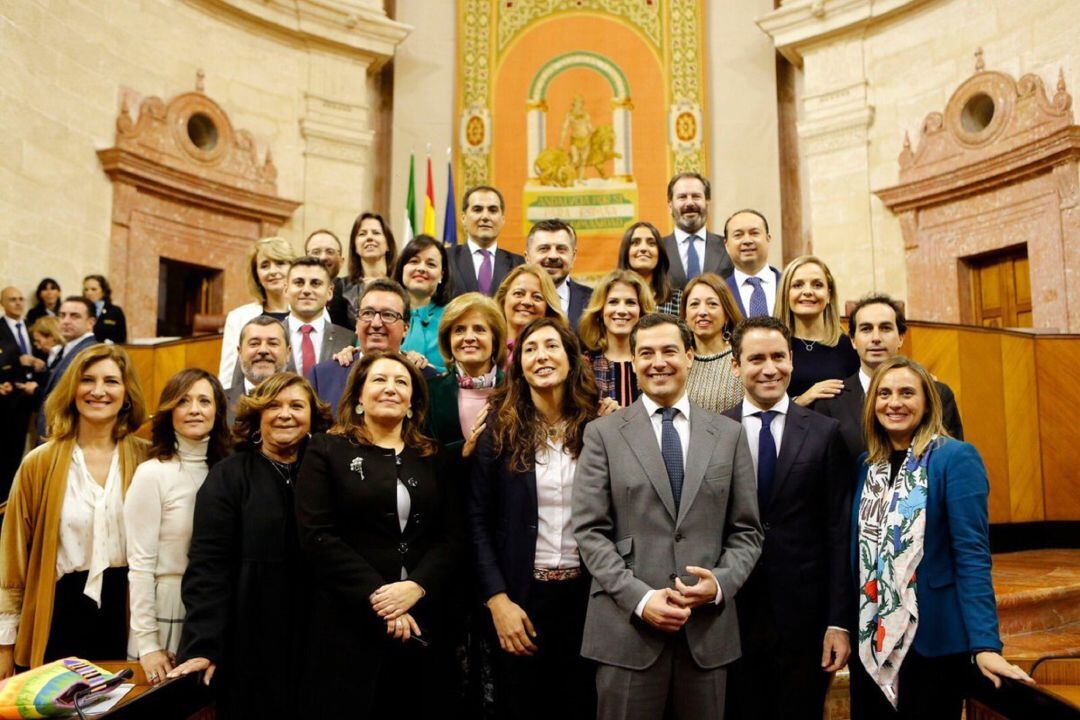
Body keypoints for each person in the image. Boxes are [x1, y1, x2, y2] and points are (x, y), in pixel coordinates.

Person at [572, 313, 763, 720]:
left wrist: (718, 585)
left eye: (669, 351)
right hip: (627, 633)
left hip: (706, 635)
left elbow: (747, 531)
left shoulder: (728, 435)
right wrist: (640, 599)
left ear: (690, 356)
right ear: (635, 362)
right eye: (646, 353)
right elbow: (590, 532)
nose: (658, 362)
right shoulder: (603, 434)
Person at [848, 356, 1033, 718]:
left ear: (928, 402)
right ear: (873, 405)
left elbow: (972, 555)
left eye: (906, 393)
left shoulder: (955, 458)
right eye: (884, 394)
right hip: (873, 638)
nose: (894, 402)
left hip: (932, 642)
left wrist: (984, 644)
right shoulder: (866, 466)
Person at [296, 351, 462, 716]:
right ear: (358, 397)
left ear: (412, 403)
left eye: (401, 382)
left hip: (424, 621)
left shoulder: (433, 456)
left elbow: (451, 537)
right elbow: (318, 536)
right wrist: (383, 598)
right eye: (380, 380)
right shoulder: (326, 450)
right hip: (349, 624)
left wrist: (416, 586)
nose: (391, 388)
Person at [169, 372, 332, 717]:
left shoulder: (330, 472)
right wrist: (203, 644)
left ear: (313, 418)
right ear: (258, 415)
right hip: (250, 638)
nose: (285, 414)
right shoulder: (229, 475)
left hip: (320, 637)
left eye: (296, 406)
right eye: (274, 405)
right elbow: (207, 566)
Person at [722, 316, 853, 720]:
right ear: (735, 365)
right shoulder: (713, 431)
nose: (769, 368)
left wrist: (838, 621)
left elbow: (837, 531)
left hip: (804, 617)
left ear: (792, 360)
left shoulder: (825, 432)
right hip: (731, 615)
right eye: (756, 358)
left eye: (778, 356)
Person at [469, 318, 600, 719]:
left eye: (551, 347)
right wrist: (497, 600)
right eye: (530, 349)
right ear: (519, 365)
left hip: (587, 599)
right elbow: (476, 521)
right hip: (520, 600)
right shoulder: (497, 430)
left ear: (571, 359)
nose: (541, 356)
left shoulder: (600, 428)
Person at [0, 344, 148, 674]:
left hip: (126, 612)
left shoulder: (147, 460)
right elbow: (12, 564)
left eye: (111, 381)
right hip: (57, 612)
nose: (98, 391)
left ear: (126, 394)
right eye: (87, 380)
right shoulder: (39, 463)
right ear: (72, 390)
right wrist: (5, 645)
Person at [124, 369, 230, 685]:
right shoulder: (152, 474)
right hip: (167, 604)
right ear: (170, 411)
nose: (194, 409)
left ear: (218, 411)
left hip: (217, 607)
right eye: (183, 401)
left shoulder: (229, 471)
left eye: (204, 401)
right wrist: (148, 643)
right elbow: (140, 565)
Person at [816, 293, 964, 461]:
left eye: (885, 328)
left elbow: (954, 461)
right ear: (853, 340)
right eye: (866, 329)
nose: (876, 338)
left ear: (901, 337)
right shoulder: (830, 400)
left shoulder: (937, 393)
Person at [307, 278, 437, 415]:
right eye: (367, 313)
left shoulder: (428, 378)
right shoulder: (323, 376)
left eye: (388, 315)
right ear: (356, 324)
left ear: (406, 328)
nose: (376, 323)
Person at [425, 292, 507, 454]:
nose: (469, 337)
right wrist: (461, 453)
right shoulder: (430, 393)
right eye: (459, 330)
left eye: (479, 329)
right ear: (448, 341)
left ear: (495, 340)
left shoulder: (516, 390)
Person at [776, 255, 859, 406]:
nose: (807, 291)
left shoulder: (849, 346)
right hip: (790, 428)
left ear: (829, 295)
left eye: (817, 285)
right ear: (785, 295)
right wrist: (802, 399)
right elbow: (762, 406)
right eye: (798, 285)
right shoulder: (773, 346)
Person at [218, 236, 295, 390]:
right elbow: (227, 376)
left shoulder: (306, 316)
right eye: (265, 266)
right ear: (257, 275)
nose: (273, 271)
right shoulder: (238, 317)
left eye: (280, 263)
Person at [579, 270, 656, 410]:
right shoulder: (583, 366)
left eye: (630, 303)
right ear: (601, 311)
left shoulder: (656, 363)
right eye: (613, 302)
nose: (621, 310)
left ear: (642, 312)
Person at [35, 297, 101, 440]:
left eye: (74, 316)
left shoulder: (89, 352)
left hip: (68, 435)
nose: (66, 321)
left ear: (91, 322)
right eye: (62, 315)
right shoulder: (68, 348)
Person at [280, 256, 355, 379]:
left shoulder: (349, 339)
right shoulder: (267, 336)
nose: (306, 290)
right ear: (286, 289)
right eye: (299, 282)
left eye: (315, 283)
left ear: (330, 292)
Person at [679, 273, 744, 413]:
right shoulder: (678, 361)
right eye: (694, 304)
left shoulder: (742, 359)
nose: (702, 312)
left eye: (712, 304)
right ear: (685, 316)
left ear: (727, 314)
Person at [448, 186, 525, 297]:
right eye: (477, 209)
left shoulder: (519, 264)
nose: (485, 216)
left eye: (493, 210)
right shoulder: (445, 259)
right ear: (463, 218)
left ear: (502, 219)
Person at [661, 173, 733, 290]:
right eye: (682, 197)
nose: (689, 203)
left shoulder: (728, 247)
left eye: (696, 196)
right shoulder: (658, 250)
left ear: (707, 203)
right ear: (670, 206)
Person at [395, 234, 456, 372]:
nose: (421, 268)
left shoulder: (454, 318)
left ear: (442, 275)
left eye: (431, 264)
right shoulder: (383, 313)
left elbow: (463, 371)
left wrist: (431, 370)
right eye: (414, 261)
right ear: (402, 268)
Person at [0, 287, 39, 496]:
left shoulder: (29, 327)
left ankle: (15, 494)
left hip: (29, 397)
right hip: (7, 398)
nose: (18, 303)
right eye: (12, 299)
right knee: (6, 452)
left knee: (21, 450)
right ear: (2, 304)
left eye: (21, 299)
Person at [524, 219, 591, 331]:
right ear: (527, 257)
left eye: (561, 249)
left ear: (573, 256)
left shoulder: (593, 302)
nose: (553, 256)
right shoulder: (513, 303)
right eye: (544, 249)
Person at [225, 315, 290, 425]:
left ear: (288, 353)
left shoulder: (303, 404)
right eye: (254, 344)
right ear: (239, 352)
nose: (263, 350)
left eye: (273, 343)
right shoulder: (219, 403)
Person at [340, 212, 398, 321]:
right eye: (362, 234)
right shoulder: (342, 288)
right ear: (355, 247)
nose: (369, 237)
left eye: (376, 233)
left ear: (388, 244)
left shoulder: (402, 284)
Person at [722, 210, 781, 318]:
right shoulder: (719, 292)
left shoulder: (788, 285)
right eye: (738, 235)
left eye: (754, 233)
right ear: (726, 245)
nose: (747, 241)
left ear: (768, 239)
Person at [494, 264, 564, 353]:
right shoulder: (487, 349)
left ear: (548, 307)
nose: (527, 302)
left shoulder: (560, 353)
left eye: (537, 297)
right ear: (503, 299)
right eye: (518, 293)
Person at [618, 221, 682, 316]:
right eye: (635, 243)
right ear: (626, 252)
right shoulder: (611, 296)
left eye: (651, 243)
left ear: (660, 253)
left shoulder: (678, 299)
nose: (643, 248)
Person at [305, 228, 352, 328]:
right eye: (316, 252)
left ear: (341, 261)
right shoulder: (295, 294)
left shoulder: (352, 294)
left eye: (330, 252)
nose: (323, 257)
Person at [83, 274, 128, 344]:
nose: (89, 293)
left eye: (93, 289)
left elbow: (121, 338)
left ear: (103, 291)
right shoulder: (81, 310)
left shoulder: (114, 311)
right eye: (86, 289)